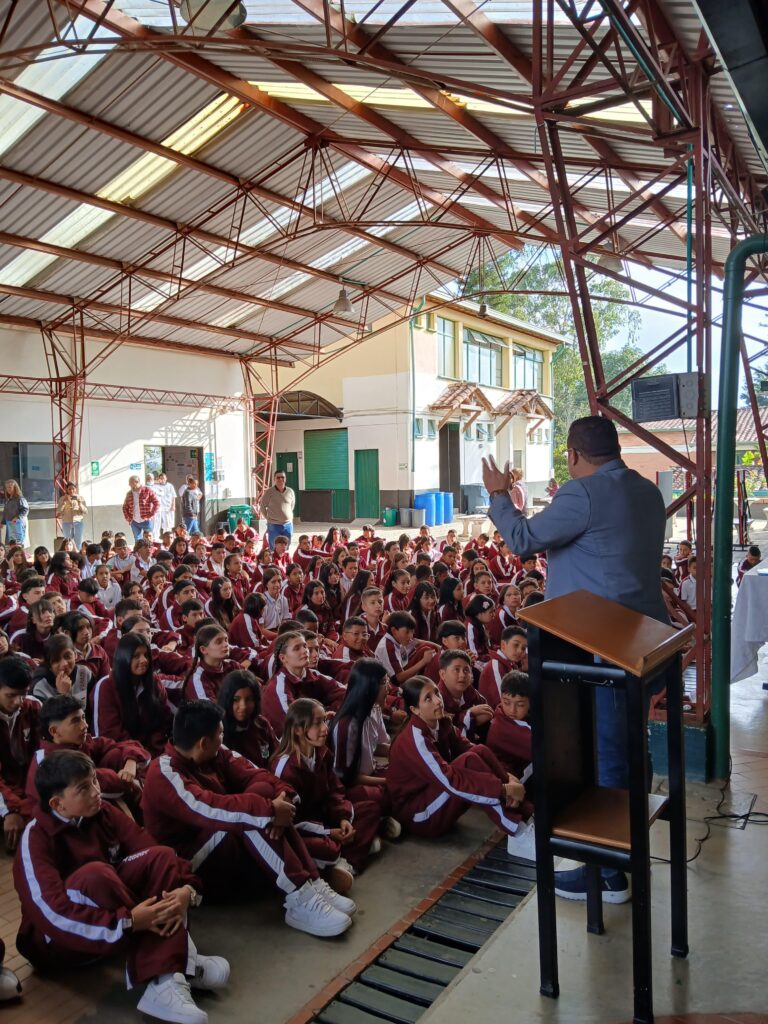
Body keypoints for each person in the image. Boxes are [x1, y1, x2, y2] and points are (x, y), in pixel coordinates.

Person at [483, 414, 667, 903]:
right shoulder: (647, 491)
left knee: (606, 754)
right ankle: (628, 846)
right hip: (644, 640)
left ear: (572, 455)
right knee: (632, 743)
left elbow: (523, 540)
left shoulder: (581, 493)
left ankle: (607, 874)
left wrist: (499, 496)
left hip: (601, 648)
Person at [15, 749, 226, 1024]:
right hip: (58, 945)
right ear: (58, 804)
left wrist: (188, 889)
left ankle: (167, 974)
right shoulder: (35, 838)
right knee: (96, 874)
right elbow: (52, 914)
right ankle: (177, 958)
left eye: (95, 780)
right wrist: (128, 923)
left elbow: (148, 847)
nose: (96, 791)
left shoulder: (102, 811)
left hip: (113, 922)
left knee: (161, 857)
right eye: (83, 788)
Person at [141, 700, 354, 937]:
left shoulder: (215, 753)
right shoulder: (163, 773)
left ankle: (312, 881)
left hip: (224, 846)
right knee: (250, 815)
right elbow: (209, 809)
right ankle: (299, 897)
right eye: (220, 733)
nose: (223, 738)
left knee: (261, 794)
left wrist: (283, 796)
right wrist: (268, 811)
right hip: (190, 861)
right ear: (203, 743)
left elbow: (258, 774)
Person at [386, 676, 525, 838]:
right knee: (468, 762)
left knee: (479, 750)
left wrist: (507, 777)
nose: (438, 701)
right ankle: (517, 830)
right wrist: (502, 789)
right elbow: (448, 781)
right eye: (428, 699)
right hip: (419, 815)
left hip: (434, 796)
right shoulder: (414, 740)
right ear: (415, 710)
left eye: (437, 693)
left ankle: (522, 810)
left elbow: (470, 748)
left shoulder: (442, 723)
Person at [260, 470, 296, 549]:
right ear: (274, 479)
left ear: (285, 479)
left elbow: (292, 506)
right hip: (274, 525)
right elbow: (262, 507)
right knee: (274, 547)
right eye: (278, 477)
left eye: (282, 477)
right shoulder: (269, 492)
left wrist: (287, 515)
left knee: (286, 546)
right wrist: (268, 518)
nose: (280, 479)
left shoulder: (290, 491)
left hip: (288, 525)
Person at [122, 475, 160, 542]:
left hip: (146, 521)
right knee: (137, 541)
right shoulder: (129, 493)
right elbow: (125, 507)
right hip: (134, 521)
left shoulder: (147, 491)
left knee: (148, 540)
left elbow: (157, 503)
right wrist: (128, 518)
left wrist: (151, 514)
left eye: (130, 483)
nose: (129, 484)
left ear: (137, 482)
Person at [56, 482, 88, 549]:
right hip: (67, 523)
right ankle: (68, 553)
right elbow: (59, 511)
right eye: (69, 489)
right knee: (67, 541)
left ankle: (78, 553)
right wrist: (64, 502)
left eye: (73, 489)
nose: (71, 491)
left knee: (78, 541)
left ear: (75, 489)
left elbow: (85, 511)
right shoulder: (62, 498)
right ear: (67, 490)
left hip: (78, 522)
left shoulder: (80, 498)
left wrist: (80, 503)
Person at [2, 480, 29, 548]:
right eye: (7, 487)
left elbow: (25, 509)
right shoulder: (8, 500)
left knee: (18, 544)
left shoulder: (20, 499)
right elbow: (6, 512)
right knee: (11, 544)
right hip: (10, 525)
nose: (8, 489)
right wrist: (2, 522)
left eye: (10, 487)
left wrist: (17, 517)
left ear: (15, 488)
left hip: (18, 524)